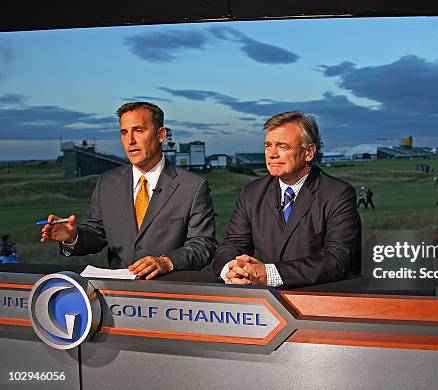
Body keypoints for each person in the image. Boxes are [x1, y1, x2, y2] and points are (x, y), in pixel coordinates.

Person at [40, 102, 217, 279]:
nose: (130, 141)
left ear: (161, 134)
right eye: (124, 132)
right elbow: (96, 234)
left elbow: (203, 245)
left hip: (169, 293)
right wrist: (72, 237)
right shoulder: (107, 183)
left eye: (139, 130)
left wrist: (166, 262)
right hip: (119, 296)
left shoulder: (192, 186)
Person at [213, 111, 361, 288]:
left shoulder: (338, 194)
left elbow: (336, 259)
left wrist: (268, 274)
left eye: (282, 146)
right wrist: (232, 271)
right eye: (268, 145)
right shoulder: (252, 193)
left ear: (309, 152)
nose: (272, 154)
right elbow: (231, 245)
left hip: (317, 301)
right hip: (263, 303)